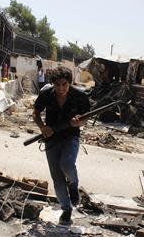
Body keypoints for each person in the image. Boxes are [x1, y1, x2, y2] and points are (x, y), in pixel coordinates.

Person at [33, 66, 90, 225]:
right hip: (51, 139)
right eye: (57, 85)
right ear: (53, 84)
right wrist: (42, 127)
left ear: (69, 83)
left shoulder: (80, 97)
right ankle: (66, 209)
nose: (61, 88)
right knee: (57, 178)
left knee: (67, 163)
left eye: (64, 84)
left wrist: (79, 121)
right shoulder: (47, 94)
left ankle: (73, 185)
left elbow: (86, 117)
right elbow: (35, 113)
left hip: (70, 137)